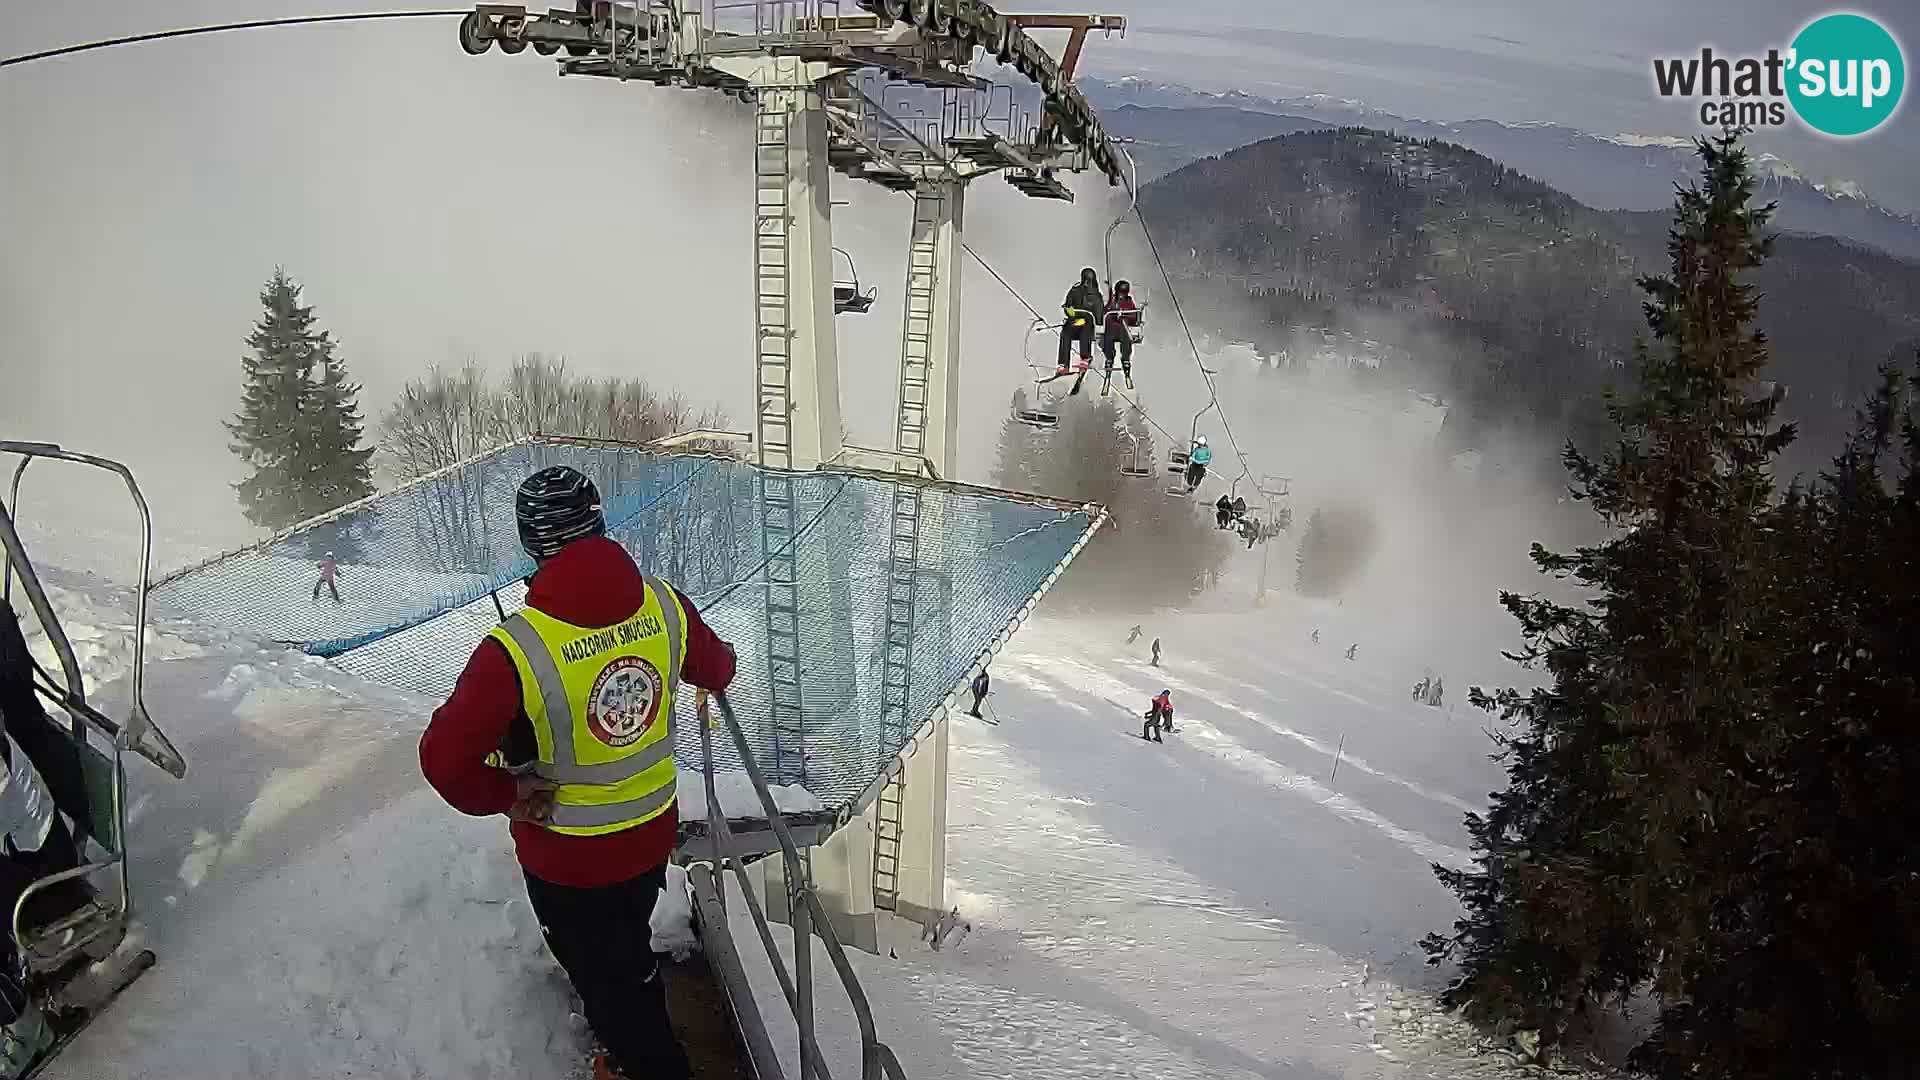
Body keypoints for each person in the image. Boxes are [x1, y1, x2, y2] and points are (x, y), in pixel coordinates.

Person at [421, 465, 738, 1080]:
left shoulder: (516, 650)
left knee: (607, 980)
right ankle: (633, 1021)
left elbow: (444, 761)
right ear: (597, 525)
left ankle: (647, 1064)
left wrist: (508, 793)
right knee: (622, 951)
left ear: (532, 543)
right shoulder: (665, 604)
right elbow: (718, 667)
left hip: (569, 861)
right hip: (649, 834)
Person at [1057, 267, 1104, 376]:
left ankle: (1085, 357)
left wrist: (1098, 322)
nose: (1087, 284)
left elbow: (1098, 314)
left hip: (1087, 322)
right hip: (1075, 321)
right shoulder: (1075, 291)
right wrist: (1071, 312)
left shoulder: (1096, 296)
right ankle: (1063, 364)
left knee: (1085, 326)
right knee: (1066, 331)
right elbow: (1068, 306)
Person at [1099, 279, 1139, 389]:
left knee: (1125, 339)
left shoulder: (1129, 302)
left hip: (1123, 329)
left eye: (1123, 294)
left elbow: (1134, 316)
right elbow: (1105, 312)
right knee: (1107, 339)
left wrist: (1125, 316)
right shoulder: (1112, 301)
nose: (1121, 296)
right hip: (1111, 329)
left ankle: (1125, 361)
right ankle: (1109, 358)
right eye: (1120, 293)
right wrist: (1111, 308)